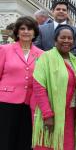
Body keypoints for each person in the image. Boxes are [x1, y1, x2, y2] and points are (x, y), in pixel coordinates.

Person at [32, 25, 76, 150]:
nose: (66, 41)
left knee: (68, 145)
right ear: (55, 40)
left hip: (71, 114)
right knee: (48, 145)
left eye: (70, 38)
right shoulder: (45, 58)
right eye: (63, 37)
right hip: (52, 114)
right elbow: (39, 87)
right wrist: (47, 114)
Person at [0, 16, 42, 150]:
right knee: (5, 140)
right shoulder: (5, 49)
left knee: (24, 140)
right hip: (6, 102)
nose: (26, 32)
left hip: (29, 104)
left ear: (34, 32)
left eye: (30, 29)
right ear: (17, 32)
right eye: (22, 28)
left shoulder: (41, 54)